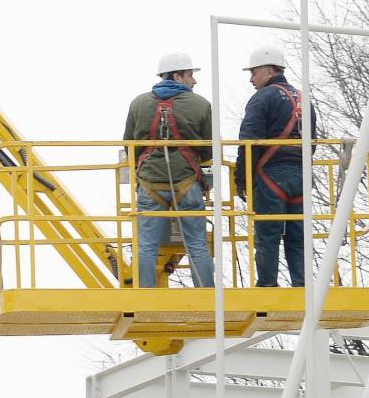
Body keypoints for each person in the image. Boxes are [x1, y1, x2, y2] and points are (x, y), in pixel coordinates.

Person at [123, 51, 215, 289]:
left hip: (149, 183)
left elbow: (129, 145)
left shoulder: (139, 103)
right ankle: (207, 295)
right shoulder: (200, 104)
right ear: (177, 75)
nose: (194, 81)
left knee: (146, 245)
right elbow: (209, 148)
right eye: (191, 75)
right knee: (197, 243)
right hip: (187, 181)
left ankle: (146, 296)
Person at [233, 45, 318, 288]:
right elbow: (312, 142)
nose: (251, 79)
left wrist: (242, 179)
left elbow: (248, 142)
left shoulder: (263, 98)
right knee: (297, 233)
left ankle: (267, 285)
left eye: (254, 72)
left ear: (269, 71)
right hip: (300, 175)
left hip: (272, 175)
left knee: (268, 233)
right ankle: (302, 284)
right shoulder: (304, 99)